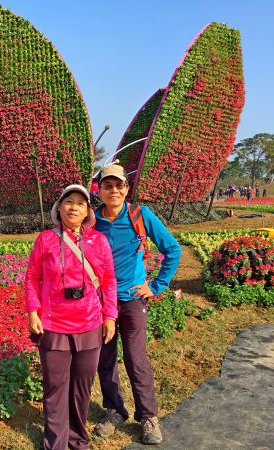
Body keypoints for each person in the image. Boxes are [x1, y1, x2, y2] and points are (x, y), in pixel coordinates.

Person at [93, 164, 182, 445]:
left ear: (126, 189)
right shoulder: (92, 220)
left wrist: (156, 285)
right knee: (104, 358)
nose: (114, 190)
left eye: (118, 185)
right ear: (100, 190)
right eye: (108, 185)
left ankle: (148, 416)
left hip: (132, 299)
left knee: (135, 358)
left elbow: (173, 249)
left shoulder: (141, 215)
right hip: (101, 302)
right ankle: (115, 410)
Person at [25, 184, 118, 450]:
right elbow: (32, 278)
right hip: (53, 325)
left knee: (81, 389)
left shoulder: (98, 241)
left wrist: (109, 315)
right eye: (68, 202)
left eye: (80, 203)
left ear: (88, 210)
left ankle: (78, 440)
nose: (73, 207)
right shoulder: (46, 239)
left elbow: (109, 281)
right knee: (55, 389)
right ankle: (55, 443)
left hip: (89, 324)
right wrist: (33, 312)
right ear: (59, 208)